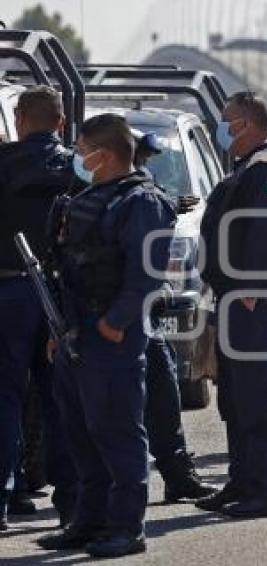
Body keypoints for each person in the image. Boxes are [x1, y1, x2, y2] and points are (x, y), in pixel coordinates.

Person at [36, 113, 176, 558]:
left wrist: (115, 322)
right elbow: (70, 266)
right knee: (81, 434)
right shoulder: (92, 195)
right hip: (76, 332)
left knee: (117, 434)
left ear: (107, 153)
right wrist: (60, 329)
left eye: (81, 151)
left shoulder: (142, 202)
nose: (78, 158)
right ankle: (89, 521)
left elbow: (146, 276)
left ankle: (125, 527)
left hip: (112, 336)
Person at [197, 92, 267, 519]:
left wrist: (251, 289)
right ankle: (243, 480)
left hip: (251, 300)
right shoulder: (247, 168)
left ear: (248, 125)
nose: (223, 128)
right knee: (235, 398)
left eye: (227, 121)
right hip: (233, 297)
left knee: (258, 397)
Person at [0, 86, 80, 530]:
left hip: (7, 292)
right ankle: (70, 507)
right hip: (61, 296)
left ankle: (5, 498)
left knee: (5, 398)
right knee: (61, 402)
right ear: (62, 123)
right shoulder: (77, 166)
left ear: (18, 117)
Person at [130, 128, 216, 503]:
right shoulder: (109, 197)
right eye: (140, 159)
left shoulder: (145, 194)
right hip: (116, 317)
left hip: (142, 315)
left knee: (163, 398)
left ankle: (178, 476)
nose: (144, 167)